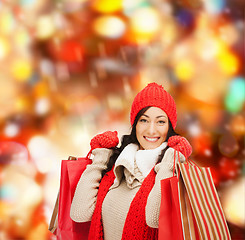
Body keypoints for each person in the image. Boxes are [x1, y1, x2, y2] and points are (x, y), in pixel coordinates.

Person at [70, 82, 192, 240]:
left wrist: (170, 160)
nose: (151, 130)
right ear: (134, 124)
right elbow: (79, 213)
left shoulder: (171, 171)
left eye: (160, 121)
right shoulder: (116, 167)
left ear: (169, 127)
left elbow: (154, 219)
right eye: (144, 120)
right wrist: (100, 157)